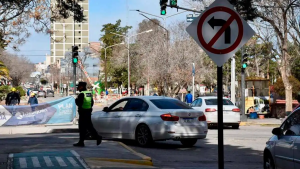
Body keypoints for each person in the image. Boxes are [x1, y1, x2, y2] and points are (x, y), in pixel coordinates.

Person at [74, 82, 102, 147]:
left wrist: (76, 100)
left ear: (81, 87)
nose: (77, 88)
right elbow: (92, 103)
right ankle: (81, 142)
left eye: (78, 86)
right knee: (87, 127)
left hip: (83, 113)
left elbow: (79, 104)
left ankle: (97, 137)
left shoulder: (81, 94)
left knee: (83, 127)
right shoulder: (89, 93)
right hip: (88, 112)